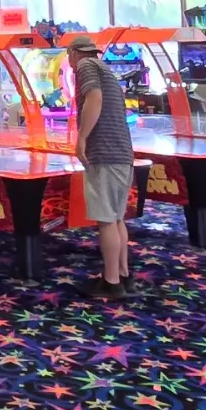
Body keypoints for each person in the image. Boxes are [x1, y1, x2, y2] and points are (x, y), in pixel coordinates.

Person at [69, 33, 134, 296]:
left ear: (74, 53)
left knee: (106, 220)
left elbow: (94, 99)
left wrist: (82, 138)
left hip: (105, 153)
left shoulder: (86, 67)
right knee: (117, 218)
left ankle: (111, 283)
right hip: (121, 153)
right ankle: (122, 274)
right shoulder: (105, 68)